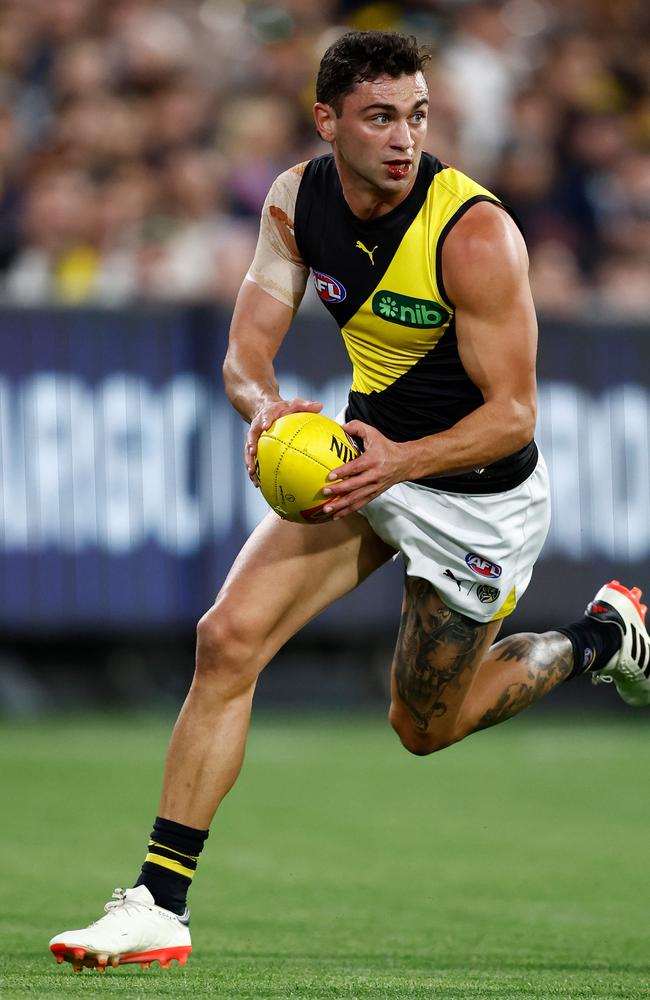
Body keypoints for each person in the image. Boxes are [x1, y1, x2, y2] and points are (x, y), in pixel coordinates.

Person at [49, 30, 650, 973]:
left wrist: (400, 462)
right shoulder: (297, 202)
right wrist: (265, 410)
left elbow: (514, 415)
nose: (404, 138)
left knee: (423, 728)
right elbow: (245, 357)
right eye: (379, 118)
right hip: (361, 461)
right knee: (227, 638)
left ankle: (598, 640)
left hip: (475, 497)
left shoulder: (475, 232)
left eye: (416, 116)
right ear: (327, 121)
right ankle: (159, 904)